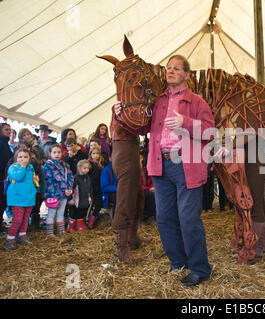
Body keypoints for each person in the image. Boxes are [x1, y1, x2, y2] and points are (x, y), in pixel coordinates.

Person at [114, 54, 214, 286]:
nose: (170, 71)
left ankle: (200, 268)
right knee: (165, 218)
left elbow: (210, 132)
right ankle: (178, 263)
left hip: (186, 164)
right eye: (169, 68)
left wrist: (184, 123)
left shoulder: (197, 102)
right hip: (160, 165)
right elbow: (140, 128)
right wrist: (120, 116)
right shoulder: (157, 102)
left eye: (176, 69)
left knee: (188, 219)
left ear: (187, 75)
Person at [3, 148, 38, 250]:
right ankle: (10, 239)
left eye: (26, 157)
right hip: (17, 198)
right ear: (16, 158)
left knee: (25, 219)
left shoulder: (31, 167)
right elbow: (18, 177)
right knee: (17, 220)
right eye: (20, 157)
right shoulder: (13, 167)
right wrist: (22, 167)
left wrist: (36, 183)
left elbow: (33, 180)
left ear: (30, 158)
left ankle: (22, 236)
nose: (23, 159)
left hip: (28, 198)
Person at [43, 144, 74, 236]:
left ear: (62, 153)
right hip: (53, 193)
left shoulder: (65, 165)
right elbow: (54, 179)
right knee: (51, 213)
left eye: (59, 152)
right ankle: (49, 232)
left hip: (64, 193)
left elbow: (70, 176)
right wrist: (64, 188)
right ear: (50, 154)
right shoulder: (48, 165)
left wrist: (69, 187)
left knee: (61, 212)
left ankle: (61, 231)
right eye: (54, 152)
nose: (57, 154)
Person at [67, 160, 92, 233]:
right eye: (85, 168)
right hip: (76, 200)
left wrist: (90, 196)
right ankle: (70, 227)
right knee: (74, 213)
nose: (87, 170)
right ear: (79, 168)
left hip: (84, 199)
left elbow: (90, 187)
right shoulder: (76, 178)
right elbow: (71, 188)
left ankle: (79, 226)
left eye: (88, 168)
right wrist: (71, 198)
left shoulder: (87, 177)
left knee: (82, 212)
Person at [0, 123, 13, 234]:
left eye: (9, 129)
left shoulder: (5, 144)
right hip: (1, 177)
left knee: (3, 202)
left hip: (5, 178)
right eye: (6, 129)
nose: (8, 131)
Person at [87, 147, 104, 228]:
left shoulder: (101, 164)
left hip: (99, 187)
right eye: (94, 153)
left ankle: (93, 219)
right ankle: (87, 219)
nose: (96, 155)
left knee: (98, 204)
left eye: (97, 153)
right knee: (90, 204)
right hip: (91, 187)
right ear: (90, 155)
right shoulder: (89, 164)